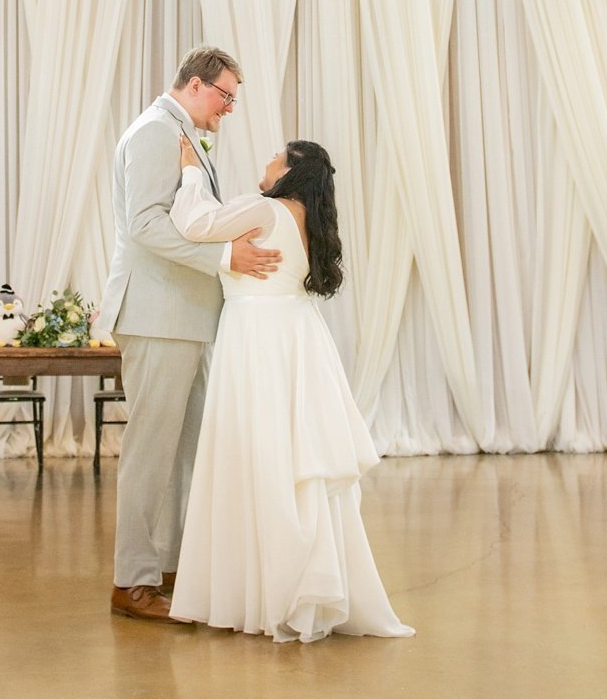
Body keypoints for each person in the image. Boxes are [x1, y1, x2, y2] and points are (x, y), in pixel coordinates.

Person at [164, 136, 410, 642]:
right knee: (295, 464)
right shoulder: (310, 225)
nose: (267, 159)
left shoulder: (264, 209)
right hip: (297, 342)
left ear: (290, 170)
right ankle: (298, 584)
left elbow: (193, 223)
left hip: (256, 342)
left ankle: (261, 591)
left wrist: (190, 170)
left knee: (260, 458)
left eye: (277, 155)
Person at [103, 47, 278, 624]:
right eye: (226, 95)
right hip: (157, 316)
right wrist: (228, 255)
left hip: (184, 317)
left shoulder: (183, 132)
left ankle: (170, 567)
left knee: (188, 449)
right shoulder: (156, 131)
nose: (230, 108)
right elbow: (146, 224)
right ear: (199, 85)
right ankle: (132, 580)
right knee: (151, 451)